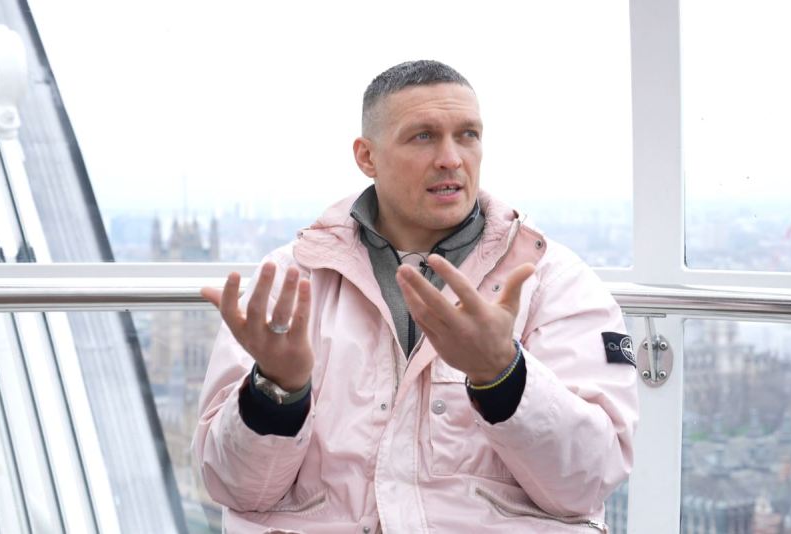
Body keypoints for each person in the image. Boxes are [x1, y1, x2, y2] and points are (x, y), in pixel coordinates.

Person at [194, 60, 638, 533]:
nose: (452, 158)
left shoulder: (553, 281)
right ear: (367, 157)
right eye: (423, 136)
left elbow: (587, 481)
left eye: (468, 135)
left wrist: (504, 376)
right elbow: (235, 487)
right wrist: (277, 390)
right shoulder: (288, 284)